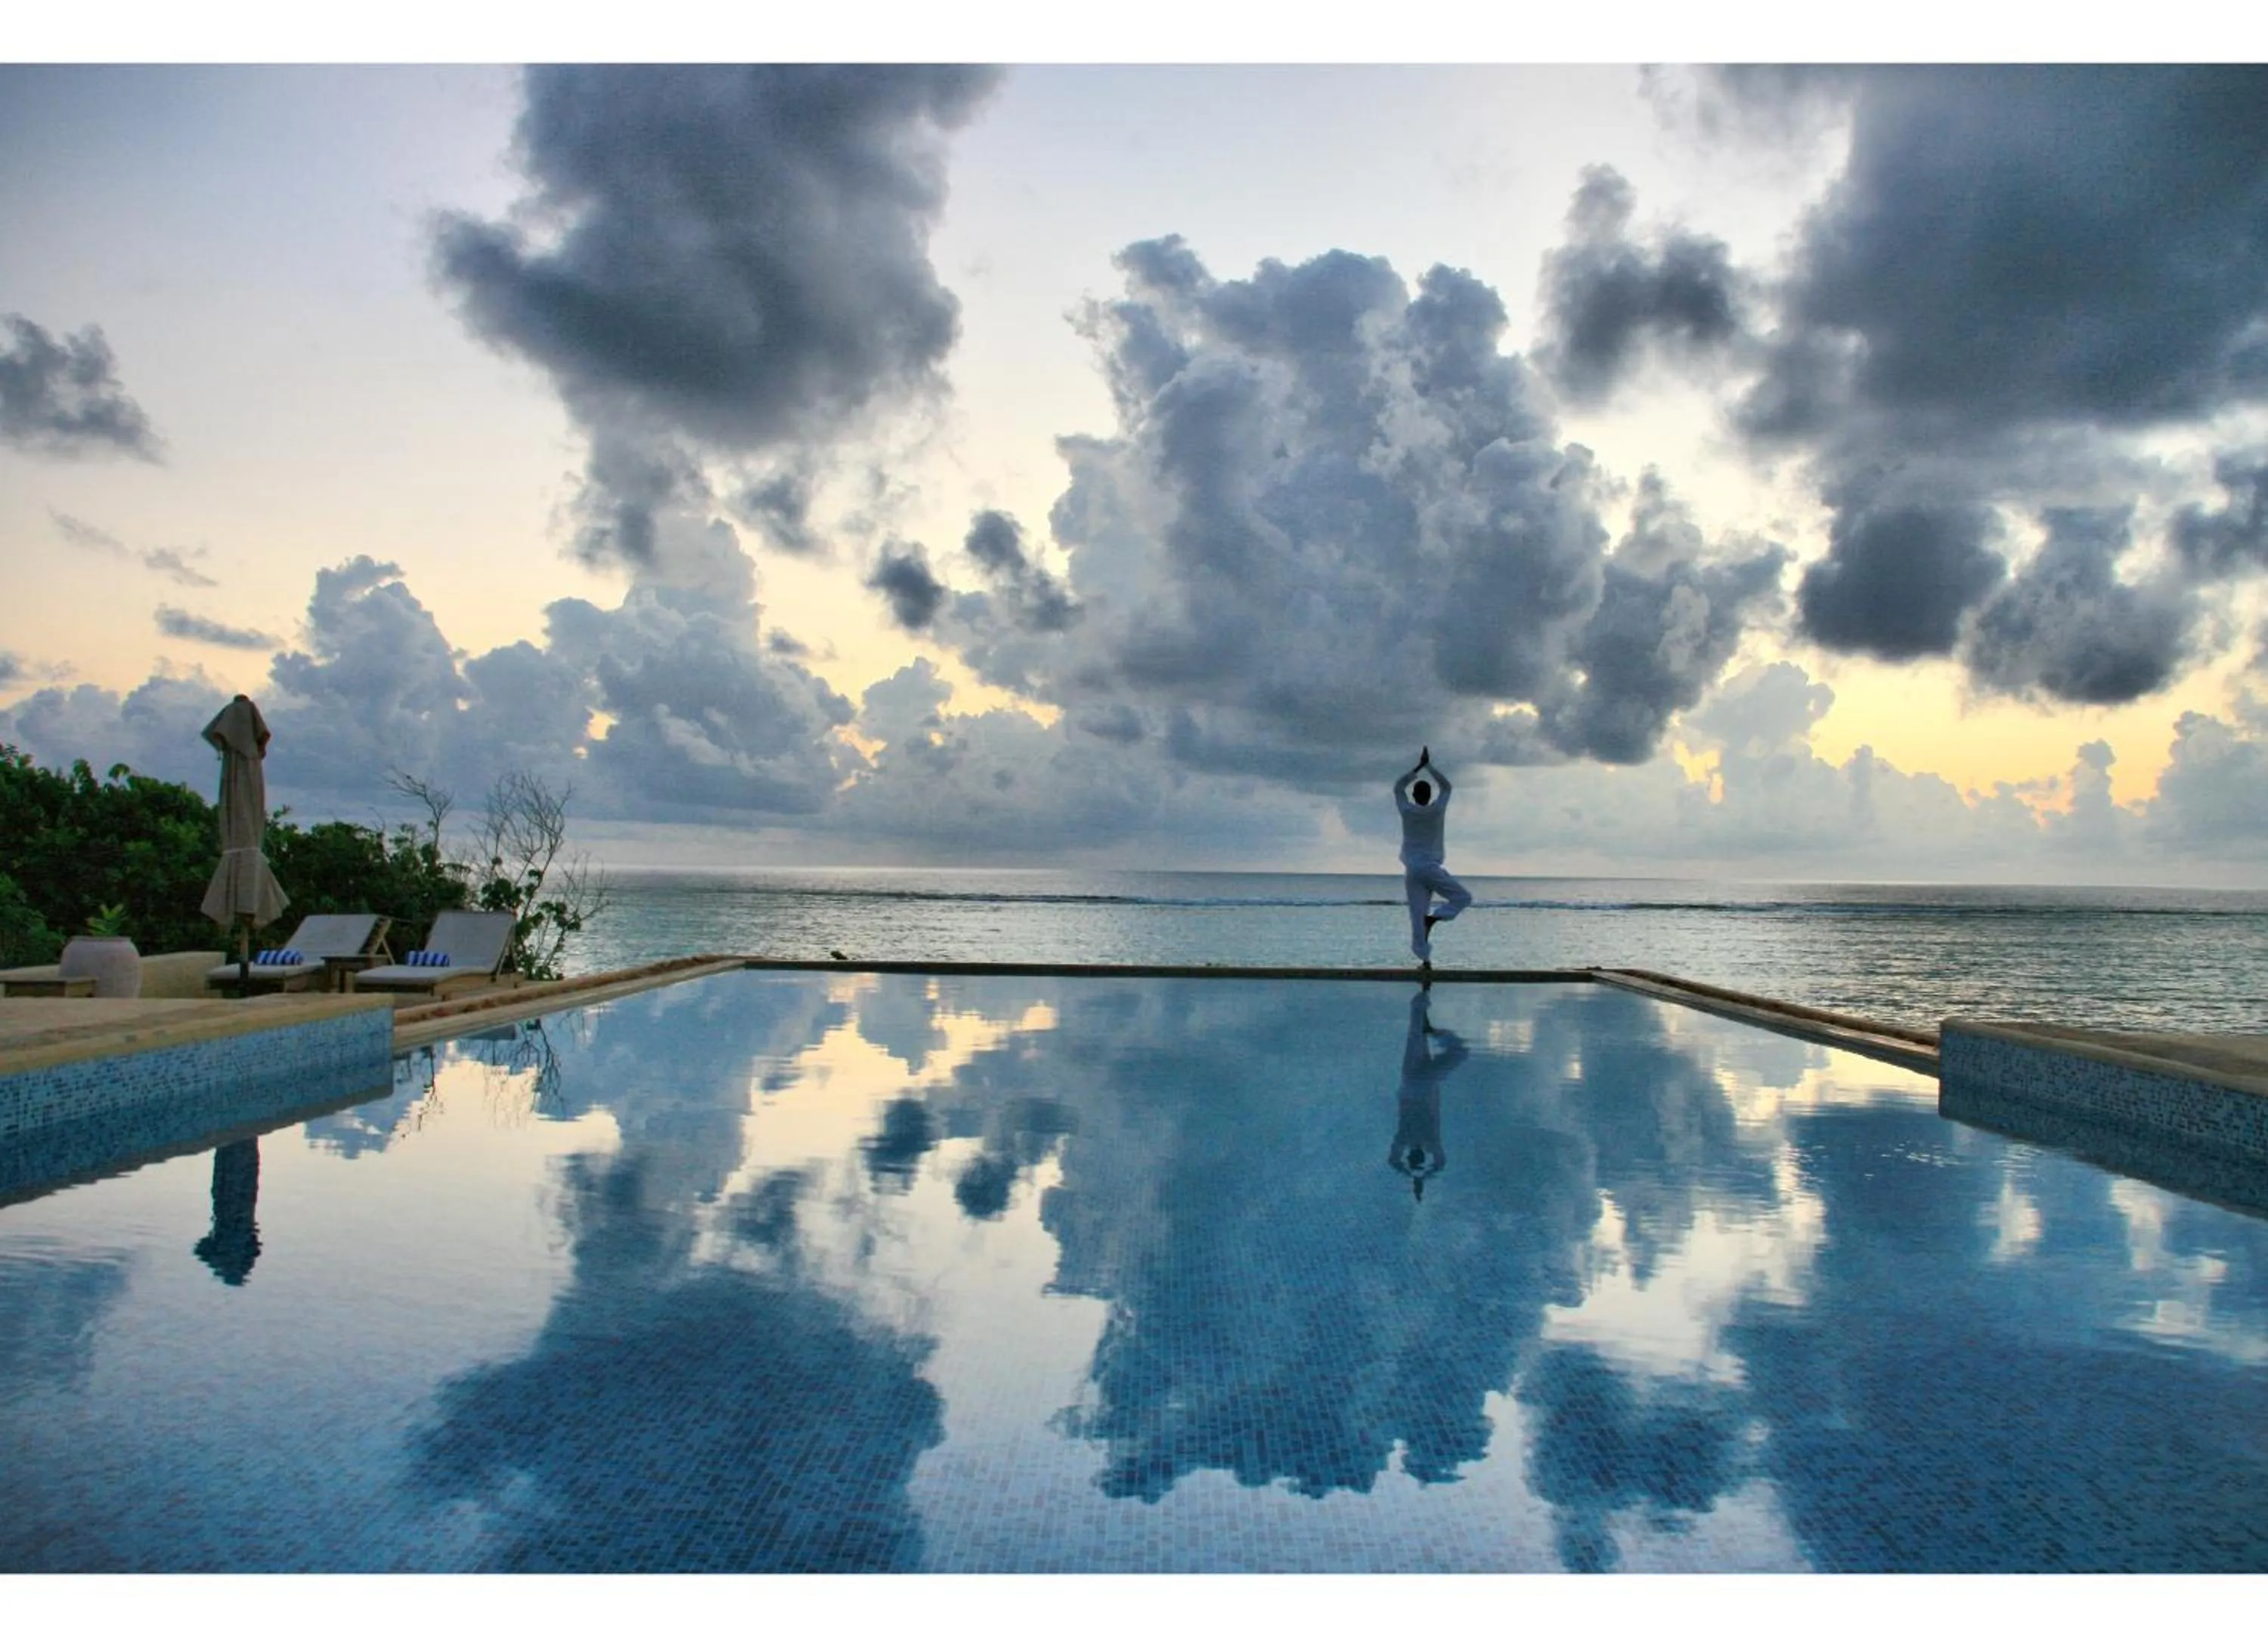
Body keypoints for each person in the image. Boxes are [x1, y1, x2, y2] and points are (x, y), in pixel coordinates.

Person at [1393, 745, 1471, 967]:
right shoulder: (1437, 810)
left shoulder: (1407, 811)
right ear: (1429, 796)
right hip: (1429, 868)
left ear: (1414, 796)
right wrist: (1430, 767)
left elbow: (1398, 788)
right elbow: (1447, 787)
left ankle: (1425, 960)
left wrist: (1418, 767)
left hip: (1413, 872)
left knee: (1416, 918)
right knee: (1462, 898)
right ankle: (1436, 917)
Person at [1388, 983, 1467, 1202]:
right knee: (1415, 1037)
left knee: (1460, 1053)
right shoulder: (1402, 1140)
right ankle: (1421, 1002)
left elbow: (1441, 1162)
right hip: (1407, 1086)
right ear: (1409, 1155)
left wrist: (1422, 1178)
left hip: (1424, 1086)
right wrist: (1413, 1177)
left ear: (1422, 1155)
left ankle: (1431, 1025)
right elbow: (1393, 1162)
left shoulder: (1430, 1141)